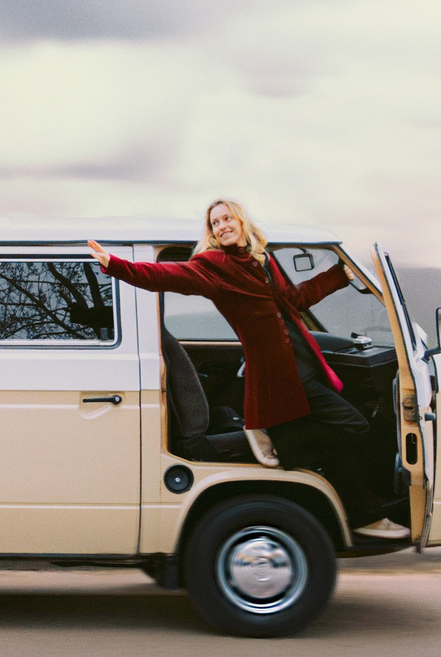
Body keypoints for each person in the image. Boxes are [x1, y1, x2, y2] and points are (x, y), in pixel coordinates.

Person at [89, 200, 408, 540]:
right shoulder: (213, 264)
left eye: (227, 218)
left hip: (304, 365)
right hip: (280, 376)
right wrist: (116, 266)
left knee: (343, 436)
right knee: (355, 426)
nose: (222, 225)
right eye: (214, 223)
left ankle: (360, 510)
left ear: (241, 222)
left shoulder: (263, 259)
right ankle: (287, 449)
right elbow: (165, 275)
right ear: (210, 233)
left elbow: (295, 300)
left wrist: (338, 275)